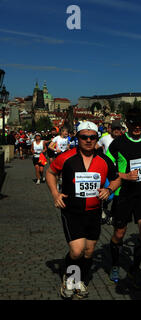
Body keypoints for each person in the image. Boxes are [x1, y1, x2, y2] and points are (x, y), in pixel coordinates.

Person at [46, 121, 120, 299]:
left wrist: (109, 189)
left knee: (89, 251)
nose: (88, 140)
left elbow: (117, 179)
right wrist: (55, 194)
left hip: (94, 212)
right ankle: (70, 279)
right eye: (84, 137)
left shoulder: (104, 159)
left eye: (92, 137)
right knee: (77, 251)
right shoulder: (66, 157)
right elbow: (50, 172)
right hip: (72, 211)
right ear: (77, 138)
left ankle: (81, 280)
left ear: (97, 138)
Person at [106, 108, 141, 289]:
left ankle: (134, 268)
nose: (137, 127)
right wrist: (124, 176)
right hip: (123, 193)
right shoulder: (117, 143)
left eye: (140, 124)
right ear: (127, 124)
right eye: (133, 124)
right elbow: (107, 168)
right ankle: (115, 265)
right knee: (119, 234)